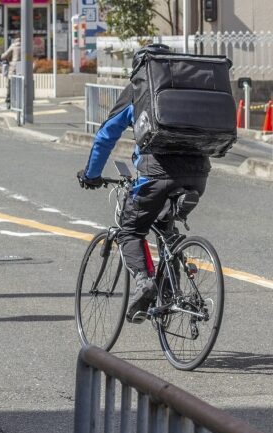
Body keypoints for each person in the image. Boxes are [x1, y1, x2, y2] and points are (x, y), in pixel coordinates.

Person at [77, 44, 212, 324]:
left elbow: (106, 135)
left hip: (157, 173)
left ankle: (144, 283)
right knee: (166, 229)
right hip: (199, 174)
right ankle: (175, 295)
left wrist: (91, 174)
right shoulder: (189, 88)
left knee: (129, 231)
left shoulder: (140, 88)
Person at [0, 34, 20, 109]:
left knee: (9, 83)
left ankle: (8, 99)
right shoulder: (26, 45)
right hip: (24, 68)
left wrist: (2, 55)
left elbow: (4, 56)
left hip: (14, 67)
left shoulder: (13, 46)